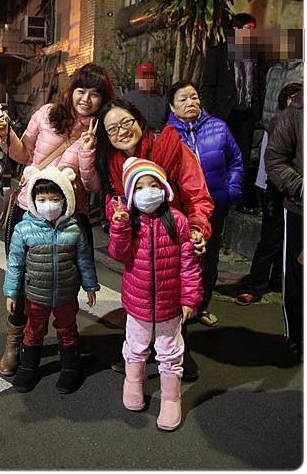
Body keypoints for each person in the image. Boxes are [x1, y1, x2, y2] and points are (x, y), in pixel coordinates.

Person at [0, 63, 113, 376]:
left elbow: (95, 187)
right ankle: (15, 339)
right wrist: (5, 135)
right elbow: (23, 154)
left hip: (71, 217)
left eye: (95, 94)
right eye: (81, 90)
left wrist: (87, 154)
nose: (86, 99)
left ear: (103, 99)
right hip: (27, 210)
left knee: (65, 281)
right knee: (22, 278)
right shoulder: (46, 114)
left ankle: (66, 339)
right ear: (71, 90)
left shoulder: (102, 130)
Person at [94, 98, 214, 381]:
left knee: (175, 292)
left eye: (126, 122)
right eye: (113, 129)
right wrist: (118, 218)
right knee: (142, 298)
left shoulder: (170, 148)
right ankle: (139, 353)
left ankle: (178, 352)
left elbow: (197, 194)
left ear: (139, 120)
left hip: (174, 235)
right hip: (139, 241)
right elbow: (113, 201)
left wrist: (197, 228)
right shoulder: (111, 163)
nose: (122, 131)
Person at [108, 157, 203, 431]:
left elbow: (189, 264)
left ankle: (171, 398)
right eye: (139, 188)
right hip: (137, 303)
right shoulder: (129, 221)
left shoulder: (178, 221)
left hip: (170, 305)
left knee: (170, 352)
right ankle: (133, 382)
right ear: (130, 194)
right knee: (135, 347)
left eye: (153, 185)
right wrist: (120, 227)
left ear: (164, 188)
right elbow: (120, 255)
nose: (148, 192)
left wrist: (190, 298)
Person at [3, 164, 100, 393]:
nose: (49, 205)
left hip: (66, 294)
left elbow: (84, 259)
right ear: (33, 200)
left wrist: (90, 286)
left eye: (55, 199)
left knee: (67, 329)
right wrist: (11, 292)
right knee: (34, 330)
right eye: (42, 199)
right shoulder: (23, 229)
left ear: (65, 199)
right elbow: (15, 263)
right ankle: (28, 367)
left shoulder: (74, 229)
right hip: (35, 295)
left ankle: (70, 368)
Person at [167, 81, 243, 326]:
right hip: (184, 213)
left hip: (215, 208)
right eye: (183, 99)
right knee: (183, 261)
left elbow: (235, 161)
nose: (190, 102)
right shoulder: (168, 135)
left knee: (209, 260)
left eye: (194, 97)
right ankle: (178, 310)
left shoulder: (218, 127)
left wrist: (231, 191)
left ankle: (202, 306)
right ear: (172, 107)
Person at [235, 82, 303, 305]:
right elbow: (273, 161)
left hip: (293, 195)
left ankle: (278, 281)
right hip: (277, 189)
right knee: (271, 239)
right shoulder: (282, 121)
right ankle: (255, 285)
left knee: (289, 245)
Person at [201, 13, 265, 211]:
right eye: (247, 29)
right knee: (220, 156)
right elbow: (208, 86)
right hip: (225, 115)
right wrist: (213, 114)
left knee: (242, 158)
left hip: (247, 114)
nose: (251, 33)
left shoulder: (256, 55)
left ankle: (239, 198)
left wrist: (257, 111)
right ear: (235, 30)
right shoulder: (218, 53)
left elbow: (259, 84)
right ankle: (218, 197)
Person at [265, 90, 303, 361]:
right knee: (298, 276)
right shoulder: (292, 116)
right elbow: (275, 160)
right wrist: (301, 187)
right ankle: (297, 334)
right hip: (301, 209)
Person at [123, 62, 171, 132]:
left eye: (150, 77)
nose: (146, 81)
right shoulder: (127, 99)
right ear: (137, 79)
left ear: (155, 79)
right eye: (143, 77)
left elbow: (169, 123)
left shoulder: (163, 100)